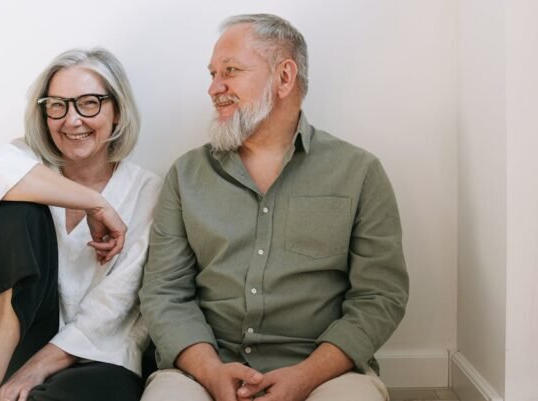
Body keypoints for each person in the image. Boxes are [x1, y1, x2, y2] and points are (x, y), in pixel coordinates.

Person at [139, 14, 408, 401]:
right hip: (204, 368)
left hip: (324, 371)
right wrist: (212, 373)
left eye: (230, 71)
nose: (215, 88)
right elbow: (165, 292)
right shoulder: (186, 175)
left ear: (284, 78)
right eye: (213, 74)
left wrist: (304, 377)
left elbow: (381, 296)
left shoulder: (360, 172)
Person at [0, 48, 162, 401]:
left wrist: (34, 370)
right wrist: (94, 203)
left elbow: (117, 304)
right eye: (57, 105)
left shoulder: (147, 190)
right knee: (6, 206)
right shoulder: (25, 165)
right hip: (11, 343)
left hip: (95, 355)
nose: (72, 119)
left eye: (89, 103)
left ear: (117, 111)